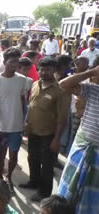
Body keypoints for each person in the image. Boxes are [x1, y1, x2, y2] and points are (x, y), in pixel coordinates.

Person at [20, 58, 70, 201]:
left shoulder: (61, 90)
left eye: (47, 70)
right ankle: (34, 182)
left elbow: (62, 118)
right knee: (32, 158)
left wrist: (57, 140)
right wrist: (26, 125)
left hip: (49, 134)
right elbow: (31, 107)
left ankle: (44, 192)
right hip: (33, 131)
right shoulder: (36, 84)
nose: (43, 72)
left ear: (54, 70)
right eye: (41, 69)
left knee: (47, 165)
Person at [57, 64, 99, 213]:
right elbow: (63, 84)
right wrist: (92, 71)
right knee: (68, 194)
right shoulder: (94, 90)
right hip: (82, 149)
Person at [0, 48, 26, 191]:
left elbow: (23, 102)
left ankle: (9, 177)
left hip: (16, 126)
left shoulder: (22, 80)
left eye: (17, 61)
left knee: (14, 153)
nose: (14, 64)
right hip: (0, 127)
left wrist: (23, 123)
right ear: (4, 62)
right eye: (11, 61)